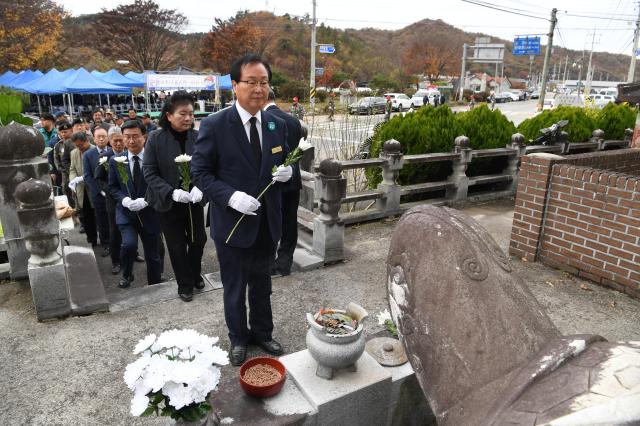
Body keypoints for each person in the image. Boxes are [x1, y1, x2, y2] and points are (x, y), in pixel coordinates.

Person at [192, 53, 292, 366]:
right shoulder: (215, 124)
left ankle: (262, 332)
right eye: (251, 82)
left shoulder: (276, 123)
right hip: (232, 224)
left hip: (266, 223)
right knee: (234, 288)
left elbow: (286, 160)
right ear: (235, 85)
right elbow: (200, 173)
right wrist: (231, 197)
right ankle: (238, 338)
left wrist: (288, 174)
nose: (259, 89)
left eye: (264, 82)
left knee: (262, 284)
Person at [143, 91, 206, 302]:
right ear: (169, 115)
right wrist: (172, 192)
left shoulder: (198, 137)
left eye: (191, 113)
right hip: (168, 203)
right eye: (182, 114)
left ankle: (195, 273)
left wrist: (200, 187)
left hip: (194, 201)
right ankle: (185, 284)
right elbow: (149, 172)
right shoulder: (155, 139)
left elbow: (207, 167)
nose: (188, 118)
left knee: (198, 241)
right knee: (177, 246)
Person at [108, 120, 162, 289]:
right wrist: (124, 200)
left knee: (152, 252)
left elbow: (161, 184)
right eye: (127, 137)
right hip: (126, 212)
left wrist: (146, 200)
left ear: (144, 136)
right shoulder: (116, 160)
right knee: (129, 245)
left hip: (150, 212)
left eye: (135, 136)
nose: (131, 141)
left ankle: (154, 282)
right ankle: (126, 274)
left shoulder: (155, 159)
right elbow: (112, 186)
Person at [263, 89, 302, 277]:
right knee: (289, 222)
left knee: (270, 222)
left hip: (272, 183)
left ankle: (269, 263)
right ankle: (285, 263)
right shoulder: (294, 121)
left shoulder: (263, 120)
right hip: (292, 179)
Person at [95, 127, 125, 274]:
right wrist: (109, 189)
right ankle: (116, 261)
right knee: (115, 232)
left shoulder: (128, 155)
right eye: (115, 141)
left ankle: (134, 254)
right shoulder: (105, 157)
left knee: (131, 228)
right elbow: (98, 177)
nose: (118, 144)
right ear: (110, 141)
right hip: (113, 201)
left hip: (128, 199)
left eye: (121, 140)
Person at [83, 127, 112, 257]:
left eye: (104, 136)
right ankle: (106, 244)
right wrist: (100, 190)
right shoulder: (88, 155)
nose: (101, 139)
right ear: (93, 139)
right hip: (98, 194)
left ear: (108, 138)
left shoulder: (113, 152)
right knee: (102, 219)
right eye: (98, 137)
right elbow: (88, 176)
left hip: (114, 193)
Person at [68, 131, 97, 246]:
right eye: (77, 145)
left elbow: (97, 170)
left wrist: (83, 177)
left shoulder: (95, 150)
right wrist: (73, 180)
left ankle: (106, 241)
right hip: (81, 189)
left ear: (87, 141)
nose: (79, 147)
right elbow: (72, 169)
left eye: (81, 145)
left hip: (94, 188)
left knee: (99, 216)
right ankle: (92, 239)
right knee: (87, 215)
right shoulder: (74, 153)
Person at [53, 121, 76, 208]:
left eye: (65, 132)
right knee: (65, 190)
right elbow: (56, 159)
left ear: (71, 131)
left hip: (75, 171)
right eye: (62, 132)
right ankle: (70, 207)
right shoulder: (58, 145)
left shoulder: (75, 143)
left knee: (75, 190)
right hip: (64, 173)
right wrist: (61, 169)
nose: (63, 134)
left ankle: (77, 208)